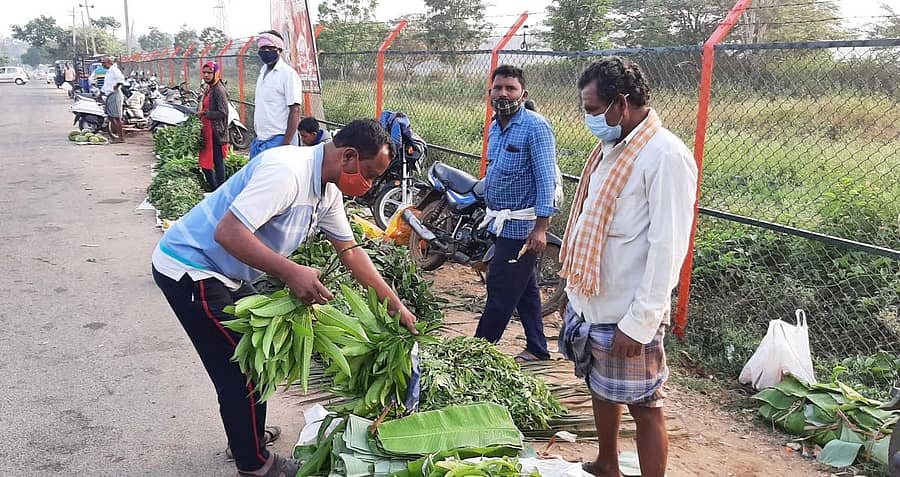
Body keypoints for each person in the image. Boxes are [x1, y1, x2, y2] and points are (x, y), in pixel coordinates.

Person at [151, 119, 417, 477]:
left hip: (226, 272)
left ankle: (247, 437)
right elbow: (228, 233)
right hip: (192, 268)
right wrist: (291, 272)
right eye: (369, 174)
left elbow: (351, 251)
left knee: (257, 360)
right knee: (242, 368)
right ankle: (254, 463)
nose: (369, 185)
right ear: (349, 156)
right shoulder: (287, 174)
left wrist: (394, 304)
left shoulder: (328, 190)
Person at [558, 57, 697, 477]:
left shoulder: (665, 156)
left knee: (645, 404)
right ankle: (606, 462)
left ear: (620, 104)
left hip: (627, 312)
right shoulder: (612, 149)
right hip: (592, 303)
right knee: (600, 387)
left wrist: (639, 322)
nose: (589, 119)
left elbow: (668, 249)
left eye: (592, 109)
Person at [473, 65, 558, 363]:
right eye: (498, 88)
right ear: (490, 93)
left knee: (500, 289)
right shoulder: (495, 127)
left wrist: (541, 228)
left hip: (522, 226)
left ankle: (476, 353)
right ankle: (537, 347)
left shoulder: (535, 127)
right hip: (501, 222)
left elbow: (547, 178)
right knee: (525, 290)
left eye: (510, 88)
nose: (503, 94)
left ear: (523, 93)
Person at [250, 30, 303, 159]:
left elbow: (295, 111)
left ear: (279, 49)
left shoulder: (287, 74)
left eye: (270, 48)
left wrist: (285, 144)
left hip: (279, 140)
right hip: (260, 140)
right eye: (263, 48)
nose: (266, 51)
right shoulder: (262, 73)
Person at [198, 61, 231, 190]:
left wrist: (205, 113)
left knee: (217, 162)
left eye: (209, 73)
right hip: (208, 130)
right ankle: (216, 188)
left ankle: (218, 189)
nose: (206, 75)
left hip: (215, 132)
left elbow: (223, 112)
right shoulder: (210, 88)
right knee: (207, 162)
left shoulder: (218, 90)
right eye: (204, 73)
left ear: (216, 73)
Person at [100, 56, 125, 143]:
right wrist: (101, 93)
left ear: (109, 62)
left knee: (116, 117)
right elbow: (106, 85)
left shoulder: (114, 70)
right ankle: (117, 136)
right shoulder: (108, 72)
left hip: (115, 94)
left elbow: (121, 79)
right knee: (111, 116)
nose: (102, 65)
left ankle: (121, 138)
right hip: (109, 95)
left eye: (104, 63)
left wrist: (116, 86)